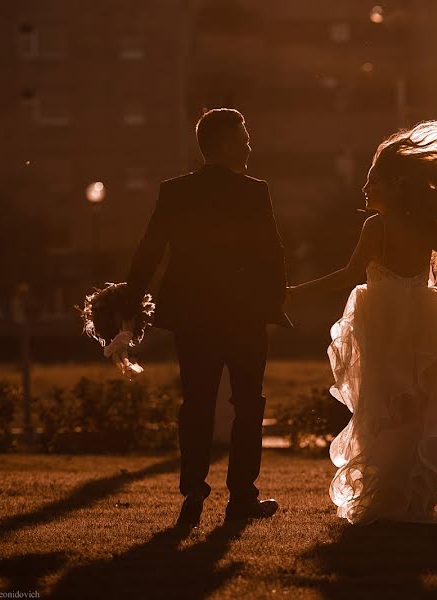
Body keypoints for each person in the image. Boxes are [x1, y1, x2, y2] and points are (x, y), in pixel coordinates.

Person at [287, 117, 437, 525]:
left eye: (373, 182)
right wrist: (433, 287)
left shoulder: (376, 226)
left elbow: (349, 275)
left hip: (384, 321)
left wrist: (294, 293)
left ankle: (387, 496)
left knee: (384, 406)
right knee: (425, 405)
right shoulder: (425, 224)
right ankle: (417, 495)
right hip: (425, 317)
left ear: (397, 185)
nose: (365, 190)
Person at [111, 108, 291, 528]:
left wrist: (129, 307)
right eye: (243, 137)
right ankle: (242, 497)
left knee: (196, 404)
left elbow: (149, 251)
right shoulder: (254, 191)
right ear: (225, 143)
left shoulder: (175, 191)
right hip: (244, 316)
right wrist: (274, 301)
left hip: (192, 316)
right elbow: (273, 253)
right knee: (248, 406)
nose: (249, 144)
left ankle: (193, 491)